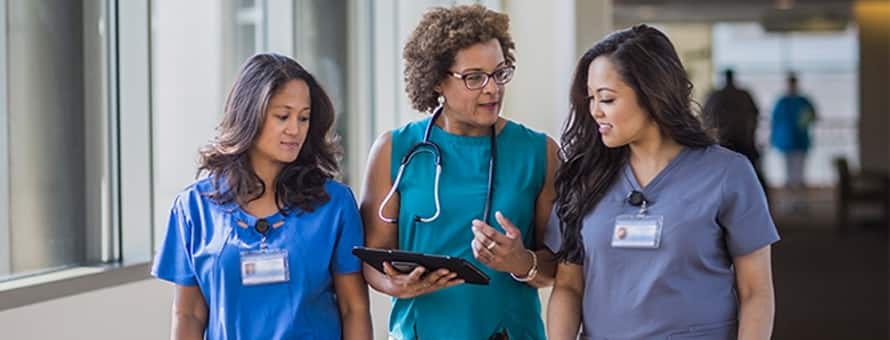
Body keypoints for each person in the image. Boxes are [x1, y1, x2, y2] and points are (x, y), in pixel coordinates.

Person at [546, 25, 779, 340]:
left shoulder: (728, 174)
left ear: (651, 94)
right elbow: (569, 285)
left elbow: (756, 292)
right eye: (590, 98)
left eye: (607, 99)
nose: (595, 111)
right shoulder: (585, 177)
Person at [359, 4, 559, 340]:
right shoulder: (393, 150)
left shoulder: (539, 152)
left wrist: (521, 262)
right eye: (474, 78)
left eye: (499, 73)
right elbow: (370, 258)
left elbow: (559, 268)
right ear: (437, 80)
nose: (492, 89)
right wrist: (395, 284)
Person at [151, 52, 372, 340]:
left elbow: (353, 308)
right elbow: (189, 314)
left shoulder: (334, 204)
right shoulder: (193, 207)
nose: (295, 130)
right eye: (283, 116)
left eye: (304, 118)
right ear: (249, 114)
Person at [703, 69, 768, 196]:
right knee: (753, 175)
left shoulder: (715, 95)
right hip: (743, 141)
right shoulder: (743, 95)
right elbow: (755, 116)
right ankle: (761, 200)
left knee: (719, 177)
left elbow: (705, 118)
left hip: (723, 141)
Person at [770, 72, 817, 195]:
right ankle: (791, 202)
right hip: (786, 142)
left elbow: (813, 116)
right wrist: (773, 139)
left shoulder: (803, 101)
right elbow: (774, 122)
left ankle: (799, 203)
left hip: (800, 141)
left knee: (800, 174)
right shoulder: (782, 102)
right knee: (789, 174)